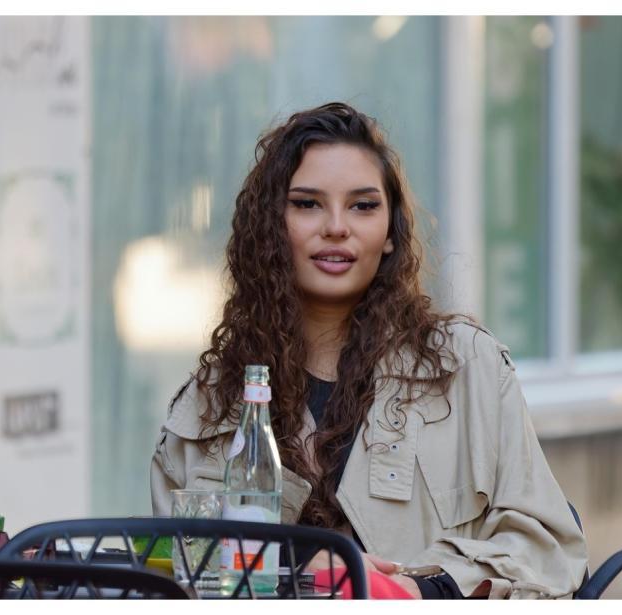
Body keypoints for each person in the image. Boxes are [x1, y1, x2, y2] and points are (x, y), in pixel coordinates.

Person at [150, 102, 588, 599]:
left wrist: (415, 591)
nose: (337, 226)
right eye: (307, 203)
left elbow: (549, 548)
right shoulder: (208, 406)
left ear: (389, 234)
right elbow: (175, 577)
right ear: (271, 227)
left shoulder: (467, 368)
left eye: (363, 205)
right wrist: (297, 564)